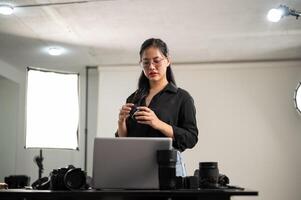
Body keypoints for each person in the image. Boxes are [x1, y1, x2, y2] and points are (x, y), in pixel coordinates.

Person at [116, 38, 198, 176]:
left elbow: (191, 138)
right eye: (146, 62)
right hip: (135, 164)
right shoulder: (133, 98)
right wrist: (121, 122)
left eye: (156, 60)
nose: (151, 67)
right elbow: (124, 141)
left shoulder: (182, 97)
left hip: (169, 165)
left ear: (167, 60)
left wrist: (157, 123)